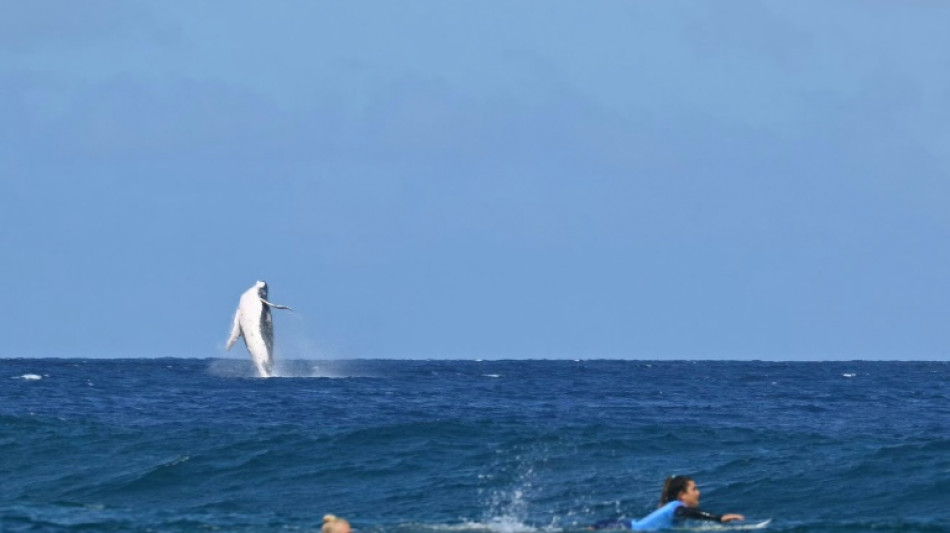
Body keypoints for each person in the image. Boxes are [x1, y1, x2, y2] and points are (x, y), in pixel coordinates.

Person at [592, 475, 744, 530]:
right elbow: (690, 513)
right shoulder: (678, 507)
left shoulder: (672, 508)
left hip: (620, 525)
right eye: (694, 489)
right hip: (620, 527)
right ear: (682, 495)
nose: (699, 493)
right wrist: (718, 518)